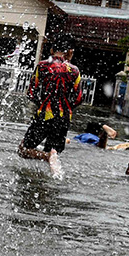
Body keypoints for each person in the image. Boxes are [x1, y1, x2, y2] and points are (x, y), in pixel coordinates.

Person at [17, 35, 83, 171]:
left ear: (52, 50)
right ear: (70, 52)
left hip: (44, 114)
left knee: (23, 150)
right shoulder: (75, 71)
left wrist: (42, 103)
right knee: (54, 151)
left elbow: (31, 92)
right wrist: (66, 107)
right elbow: (78, 99)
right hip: (63, 118)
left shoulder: (42, 66)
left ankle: (46, 156)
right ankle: (48, 164)